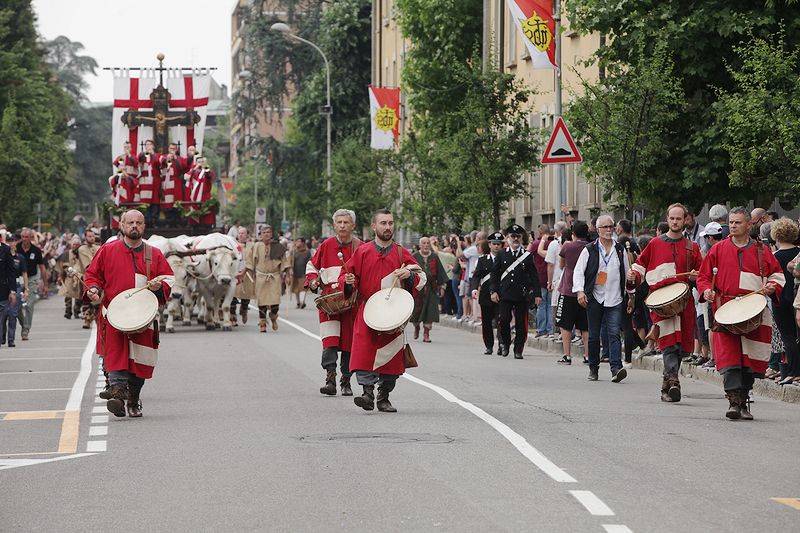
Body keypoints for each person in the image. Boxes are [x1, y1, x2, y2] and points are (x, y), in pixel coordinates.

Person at [84, 210, 174, 418]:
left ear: (144, 226)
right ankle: (117, 394)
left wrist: (158, 286)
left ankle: (133, 398)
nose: (134, 226)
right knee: (115, 355)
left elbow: (168, 279)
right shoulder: (107, 251)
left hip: (143, 317)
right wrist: (93, 288)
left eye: (139, 223)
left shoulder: (154, 254)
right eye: (130, 222)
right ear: (122, 225)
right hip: (114, 315)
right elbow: (92, 275)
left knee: (139, 363)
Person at [697, 207, 785, 420]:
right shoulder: (717, 250)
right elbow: (703, 277)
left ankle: (744, 400)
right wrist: (707, 290)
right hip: (725, 310)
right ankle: (734, 403)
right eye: (731, 222)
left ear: (748, 224)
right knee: (730, 359)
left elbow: (777, 275)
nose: (733, 225)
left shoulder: (761, 250)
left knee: (749, 361)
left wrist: (772, 285)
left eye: (738, 222)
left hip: (753, 311)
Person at [340, 209, 424, 412]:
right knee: (364, 351)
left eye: (390, 223)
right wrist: (349, 282)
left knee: (391, 356)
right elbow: (347, 275)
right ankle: (367, 393)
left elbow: (420, 277)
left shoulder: (400, 252)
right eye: (383, 223)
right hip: (368, 308)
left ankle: (384, 396)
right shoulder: (363, 251)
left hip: (393, 311)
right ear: (374, 226)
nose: (388, 227)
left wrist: (408, 274)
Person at [629, 204, 703, 401]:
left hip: (684, 302)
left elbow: (701, 274)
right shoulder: (655, 243)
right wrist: (633, 275)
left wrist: (697, 277)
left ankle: (666, 384)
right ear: (667, 219)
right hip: (661, 301)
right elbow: (640, 266)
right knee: (669, 342)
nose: (675, 222)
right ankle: (673, 380)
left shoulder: (692, 247)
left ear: (685, 220)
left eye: (679, 218)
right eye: (672, 218)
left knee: (681, 347)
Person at [306, 209, 362, 396]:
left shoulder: (360, 247)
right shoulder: (326, 245)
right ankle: (330, 379)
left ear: (353, 225)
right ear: (334, 225)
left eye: (346, 222)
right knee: (330, 341)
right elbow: (312, 266)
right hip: (329, 302)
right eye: (339, 222)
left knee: (348, 344)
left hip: (351, 301)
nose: (342, 226)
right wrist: (313, 280)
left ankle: (346, 381)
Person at [573, 215, 631, 382]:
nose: (608, 230)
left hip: (615, 297)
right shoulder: (589, 249)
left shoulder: (620, 250)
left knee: (614, 334)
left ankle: (616, 368)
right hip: (595, 298)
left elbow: (627, 273)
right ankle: (593, 368)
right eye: (604, 227)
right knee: (593, 335)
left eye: (610, 227)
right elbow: (578, 272)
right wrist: (580, 292)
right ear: (597, 230)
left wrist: (630, 292)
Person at [490, 224, 542, 359]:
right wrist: (493, 291)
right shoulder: (502, 254)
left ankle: (518, 349)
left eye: (518, 236)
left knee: (521, 324)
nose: (515, 239)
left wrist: (537, 294)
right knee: (504, 320)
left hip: (521, 294)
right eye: (513, 236)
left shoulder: (527, 255)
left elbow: (534, 276)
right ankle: (505, 344)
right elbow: (495, 274)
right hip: (505, 293)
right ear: (508, 238)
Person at [769, 218, 800, 385]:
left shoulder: (774, 256)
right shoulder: (798, 253)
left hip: (780, 299)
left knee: (787, 336)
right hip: (796, 297)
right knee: (797, 335)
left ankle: (793, 372)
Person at [555, 222, 590, 365]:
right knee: (586, 326)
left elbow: (562, 265)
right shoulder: (591, 246)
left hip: (568, 288)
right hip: (585, 289)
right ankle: (588, 355)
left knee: (566, 324)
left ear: (572, 233)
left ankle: (567, 355)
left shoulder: (567, 246)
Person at [248, 225, 290, 333]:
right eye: (264, 232)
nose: (266, 234)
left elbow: (285, 261)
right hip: (261, 277)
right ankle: (262, 323)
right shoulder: (256, 246)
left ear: (271, 234)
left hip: (274, 277)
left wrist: (288, 275)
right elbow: (250, 262)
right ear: (261, 235)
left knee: (275, 301)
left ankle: (273, 316)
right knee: (261, 301)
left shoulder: (278, 246)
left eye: (268, 232)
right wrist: (248, 273)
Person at [410, 236, 449, 343]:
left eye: (428, 243)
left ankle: (426, 333)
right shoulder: (414, 256)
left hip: (431, 288)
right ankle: (416, 327)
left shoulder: (434, 257)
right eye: (424, 243)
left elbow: (441, 272)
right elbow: (408, 272)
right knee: (416, 312)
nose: (426, 245)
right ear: (420, 245)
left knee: (430, 311)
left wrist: (442, 287)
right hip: (417, 289)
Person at [470, 232, 504, 354]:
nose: (496, 246)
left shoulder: (506, 259)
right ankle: (489, 345)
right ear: (489, 245)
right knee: (487, 322)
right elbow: (476, 276)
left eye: (498, 244)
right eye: (494, 244)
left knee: (502, 320)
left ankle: (502, 344)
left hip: (501, 295)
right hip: (485, 295)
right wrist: (474, 289)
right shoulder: (483, 260)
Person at [14, 228, 46, 341]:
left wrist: (45, 284)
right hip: (18, 279)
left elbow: (42, 268)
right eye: (22, 237)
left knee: (29, 304)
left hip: (32, 279)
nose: (24, 239)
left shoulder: (36, 250)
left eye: (27, 237)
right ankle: (24, 324)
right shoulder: (16, 248)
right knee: (16, 306)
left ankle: (26, 329)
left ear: (30, 237)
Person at [542, 222, 567, 340]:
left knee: (557, 306)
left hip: (558, 278)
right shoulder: (571, 242)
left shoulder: (553, 244)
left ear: (556, 231)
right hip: (570, 278)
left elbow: (550, 265)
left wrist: (549, 282)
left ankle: (558, 331)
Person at [75, 230, 101, 329]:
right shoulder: (82, 249)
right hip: (86, 277)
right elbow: (88, 264)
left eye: (93, 236)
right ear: (85, 237)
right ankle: (86, 320)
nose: (92, 238)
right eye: (89, 236)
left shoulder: (98, 248)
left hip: (98, 277)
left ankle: (97, 318)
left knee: (97, 299)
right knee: (86, 300)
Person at [531, 224, 553, 337]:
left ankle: (541, 329)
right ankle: (550, 329)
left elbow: (528, 255)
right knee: (550, 305)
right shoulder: (554, 243)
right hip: (551, 278)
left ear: (540, 232)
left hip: (539, 277)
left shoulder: (536, 244)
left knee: (541, 304)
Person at [230, 227, 255, 326]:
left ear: (247, 235)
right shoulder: (233, 245)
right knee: (233, 295)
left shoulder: (252, 246)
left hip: (247, 273)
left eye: (243, 233)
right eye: (239, 233)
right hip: (235, 273)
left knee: (246, 296)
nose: (241, 235)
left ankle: (244, 310)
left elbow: (254, 259)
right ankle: (232, 316)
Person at [185, 154, 216, 227]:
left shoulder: (207, 172)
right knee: (194, 223)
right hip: (194, 199)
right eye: (199, 161)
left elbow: (210, 176)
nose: (201, 163)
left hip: (205, 199)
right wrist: (195, 167)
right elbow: (186, 177)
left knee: (206, 222)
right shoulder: (192, 172)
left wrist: (205, 169)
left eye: (202, 162)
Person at [159, 143, 185, 227]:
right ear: (168, 149)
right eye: (171, 148)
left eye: (174, 148)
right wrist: (167, 158)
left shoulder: (179, 159)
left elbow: (182, 168)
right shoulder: (163, 156)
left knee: (176, 203)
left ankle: (177, 222)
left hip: (176, 183)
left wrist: (175, 159)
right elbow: (160, 163)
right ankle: (168, 222)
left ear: (176, 149)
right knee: (167, 203)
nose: (172, 150)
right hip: (166, 183)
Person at [137, 139, 161, 226]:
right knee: (145, 202)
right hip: (145, 181)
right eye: (146, 145)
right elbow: (139, 159)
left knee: (155, 201)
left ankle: (154, 221)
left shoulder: (157, 155)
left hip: (155, 181)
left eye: (150, 144)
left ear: (153, 146)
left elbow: (159, 163)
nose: (148, 146)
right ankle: (146, 221)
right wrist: (146, 154)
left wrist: (152, 154)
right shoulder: (142, 155)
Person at [0, 233, 18, 348]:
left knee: (3, 316)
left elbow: (11, 272)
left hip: (3, 288)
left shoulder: (6, 249)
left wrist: (12, 291)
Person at [59, 236, 83, 320]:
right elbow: (63, 266)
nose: (75, 246)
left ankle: (77, 311)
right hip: (69, 276)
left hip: (79, 277)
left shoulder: (82, 253)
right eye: (74, 244)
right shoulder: (66, 253)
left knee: (79, 296)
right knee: (68, 295)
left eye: (77, 244)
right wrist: (61, 276)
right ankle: (68, 312)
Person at [111, 141, 139, 205]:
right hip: (122, 180)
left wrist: (129, 155)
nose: (126, 149)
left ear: (131, 148)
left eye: (128, 147)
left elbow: (136, 164)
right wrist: (121, 171)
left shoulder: (134, 157)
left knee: (129, 197)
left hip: (131, 180)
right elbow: (117, 165)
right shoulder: (121, 157)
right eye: (125, 147)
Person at [289, 238, 311, 309]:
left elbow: (310, 262)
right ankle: (298, 302)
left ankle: (302, 302)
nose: (297, 243)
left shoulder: (307, 252)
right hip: (295, 272)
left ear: (303, 243)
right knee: (296, 289)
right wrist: (290, 269)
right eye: (296, 241)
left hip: (304, 272)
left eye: (299, 241)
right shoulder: (293, 251)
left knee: (302, 288)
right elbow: (290, 261)